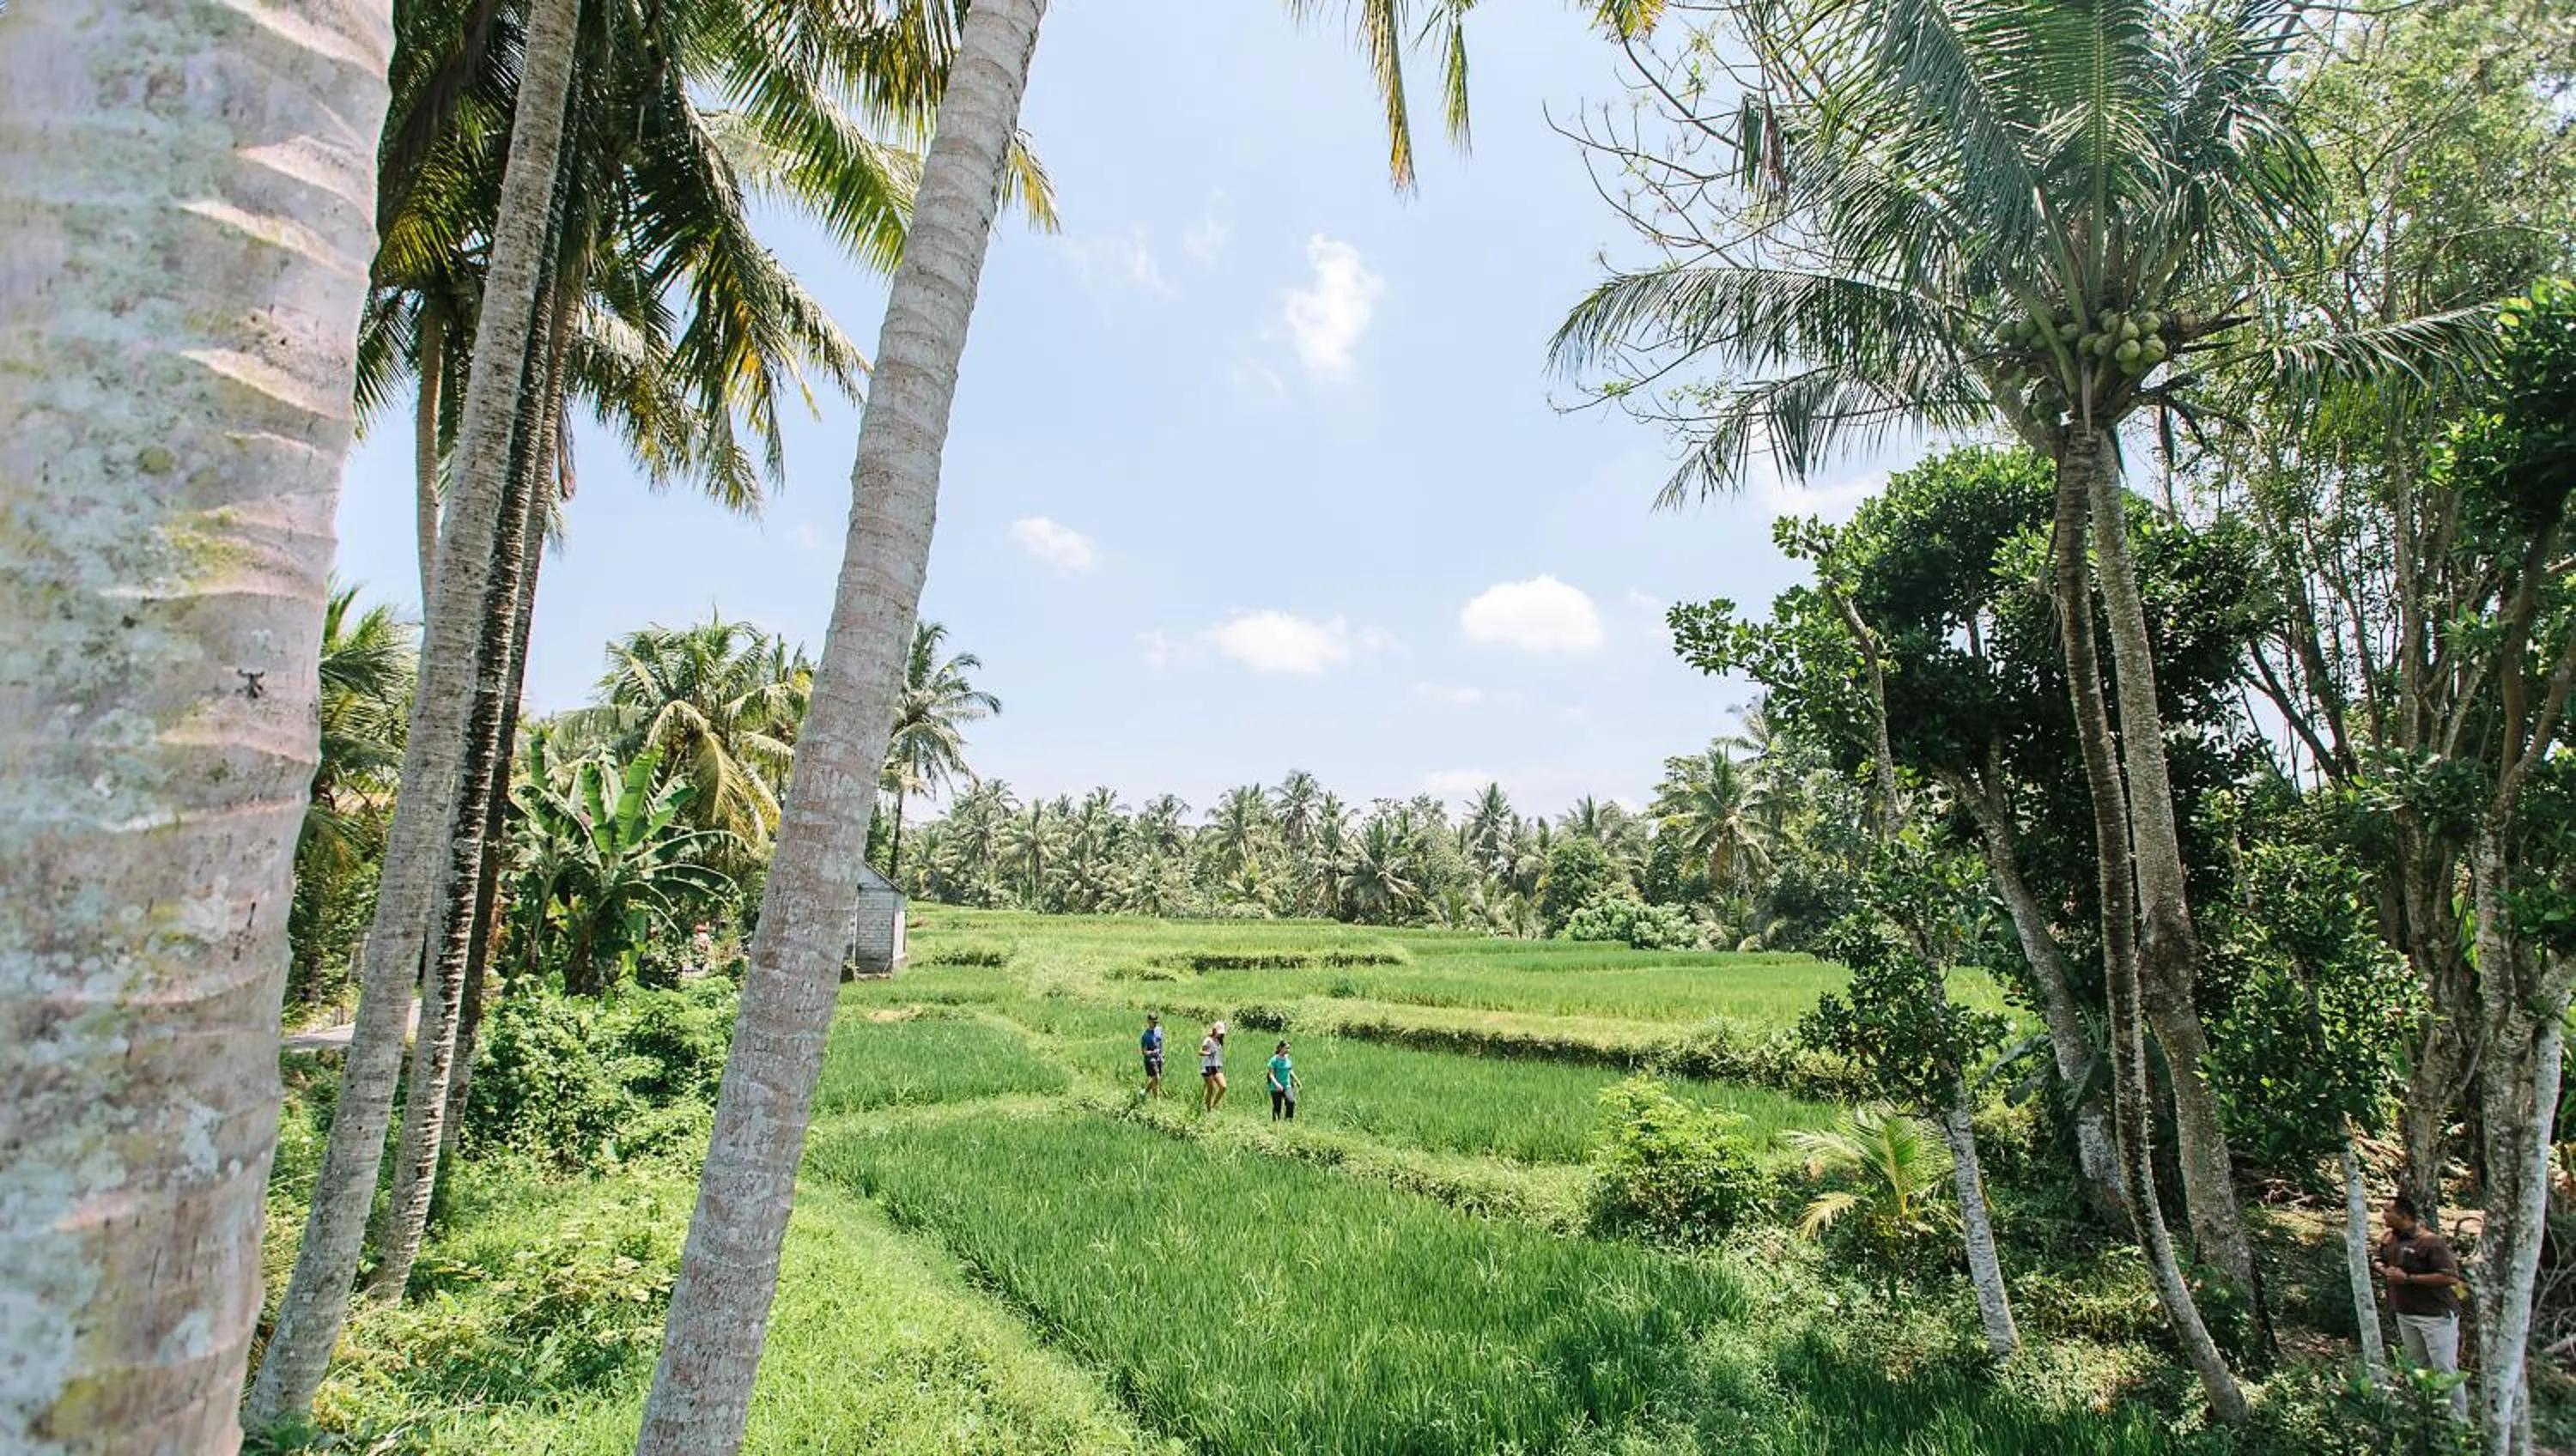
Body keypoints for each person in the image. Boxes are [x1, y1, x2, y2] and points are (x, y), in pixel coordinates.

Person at [2376, 1192, 2469, 1419]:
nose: (2383, 1214)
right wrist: (2385, 1270)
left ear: (2404, 1215)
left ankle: (2458, 1422)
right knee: (2418, 1365)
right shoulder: (2389, 1238)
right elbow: (2377, 1259)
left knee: (2444, 1369)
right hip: (2406, 1313)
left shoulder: (2430, 1242)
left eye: (2388, 1210)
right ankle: (2428, 1416)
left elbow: (2450, 1278)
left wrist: (2408, 1279)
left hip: (2435, 1316)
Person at [1266, 1039, 1297, 1121]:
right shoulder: (1274, 1060)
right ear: (1280, 1048)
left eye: (1289, 1048)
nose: (1288, 1050)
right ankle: (1275, 1123)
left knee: (1291, 1101)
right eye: (1286, 1048)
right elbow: (1271, 1074)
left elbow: (1290, 1071)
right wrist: (1277, 1084)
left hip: (1287, 1085)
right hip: (1276, 1087)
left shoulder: (1288, 1060)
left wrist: (1297, 1081)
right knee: (1277, 1107)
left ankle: (1288, 1120)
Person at [1199, 1021, 1227, 1113]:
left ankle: (1213, 1106)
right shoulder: (1208, 1040)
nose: (1220, 1034)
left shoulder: (1219, 1041)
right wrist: (1208, 1053)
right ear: (1214, 1030)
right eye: (1219, 1032)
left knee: (1223, 1087)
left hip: (1216, 1067)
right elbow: (1200, 1052)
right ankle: (1208, 1110)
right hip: (1207, 1067)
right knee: (1211, 1090)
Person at [1139, 1013, 1166, 1099]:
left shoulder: (1159, 1030)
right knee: (1156, 1077)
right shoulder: (1145, 1036)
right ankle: (1157, 1099)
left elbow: (1160, 1043)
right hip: (1150, 1060)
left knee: (1156, 1079)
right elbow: (1144, 1052)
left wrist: (1162, 1055)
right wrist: (1153, 1052)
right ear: (1148, 1022)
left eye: (1156, 1022)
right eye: (1153, 1022)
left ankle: (1145, 1092)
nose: (1155, 1024)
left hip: (1158, 1058)